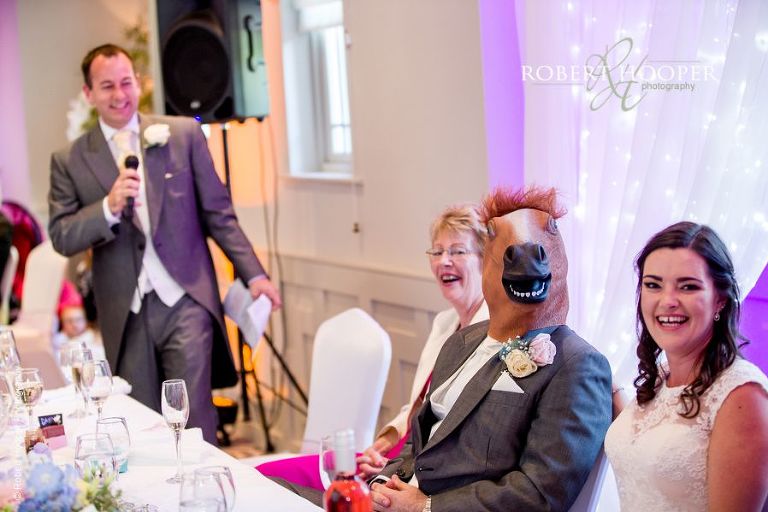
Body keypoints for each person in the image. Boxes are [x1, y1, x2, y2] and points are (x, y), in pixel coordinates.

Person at [278, 187, 613, 511]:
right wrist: (383, 483)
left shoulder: (577, 365)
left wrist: (426, 506)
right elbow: (422, 437)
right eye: (438, 251)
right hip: (391, 499)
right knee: (267, 491)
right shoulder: (463, 341)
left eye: (458, 251)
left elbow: (541, 494)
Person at [48, 44, 281, 444]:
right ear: (89, 93)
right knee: (140, 423)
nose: (120, 95)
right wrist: (107, 207)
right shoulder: (70, 159)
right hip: (126, 310)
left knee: (192, 418)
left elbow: (218, 213)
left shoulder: (182, 134)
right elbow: (62, 235)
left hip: (186, 298)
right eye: (107, 86)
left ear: (137, 83)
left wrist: (254, 274)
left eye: (126, 82)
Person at [257, 204, 489, 488]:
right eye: (437, 251)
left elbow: (455, 432)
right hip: (394, 457)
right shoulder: (445, 323)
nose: (444, 261)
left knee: (284, 486)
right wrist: (380, 447)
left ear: (484, 259)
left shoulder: (491, 336)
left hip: (417, 473)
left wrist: (394, 466)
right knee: (266, 474)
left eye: (457, 251)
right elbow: (417, 407)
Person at [605, 222, 768, 511]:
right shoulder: (660, 377)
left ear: (719, 299)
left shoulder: (742, 396)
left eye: (688, 286)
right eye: (653, 285)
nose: (668, 301)